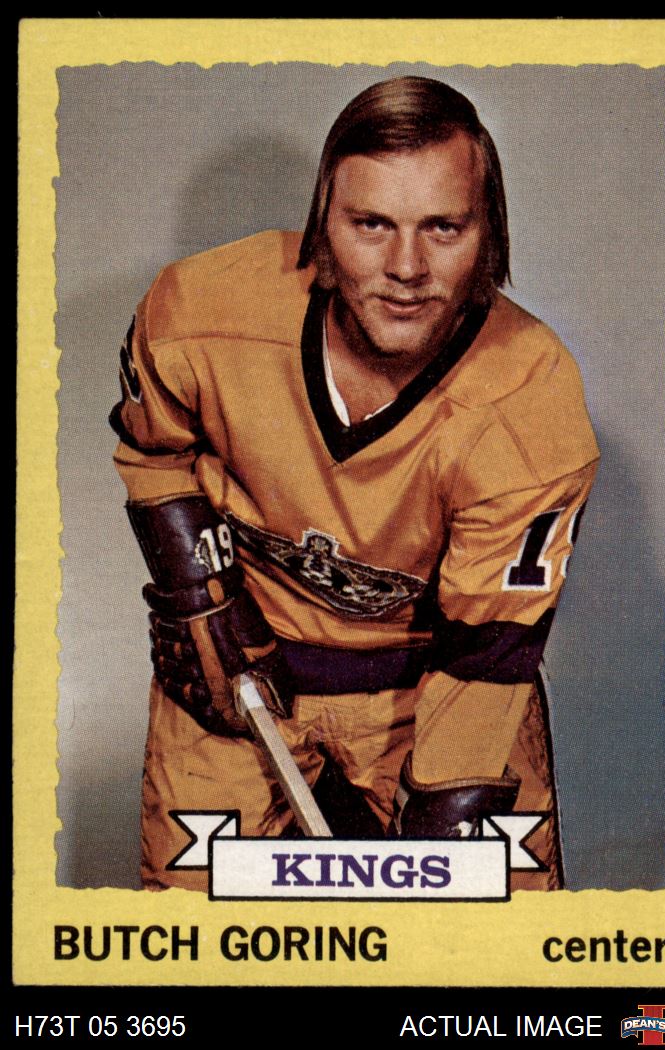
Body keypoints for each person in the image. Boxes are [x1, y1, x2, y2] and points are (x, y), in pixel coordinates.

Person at [110, 76, 599, 892]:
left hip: (437, 686)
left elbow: (486, 656)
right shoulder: (201, 311)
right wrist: (200, 595)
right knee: (191, 936)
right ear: (322, 226)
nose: (406, 268)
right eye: (371, 225)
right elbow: (154, 450)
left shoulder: (528, 400)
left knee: (489, 935)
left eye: (443, 227)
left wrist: (441, 822)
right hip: (243, 670)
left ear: (489, 234)